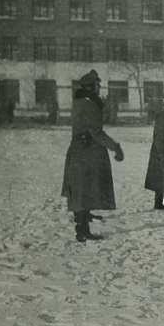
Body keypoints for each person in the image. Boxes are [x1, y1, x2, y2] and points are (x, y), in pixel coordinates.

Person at [61, 69, 124, 242]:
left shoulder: (81, 100)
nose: (100, 86)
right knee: (82, 190)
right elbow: (96, 132)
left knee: (82, 188)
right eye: (97, 84)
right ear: (90, 86)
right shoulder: (89, 104)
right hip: (86, 153)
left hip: (80, 150)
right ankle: (82, 231)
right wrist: (115, 147)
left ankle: (85, 216)